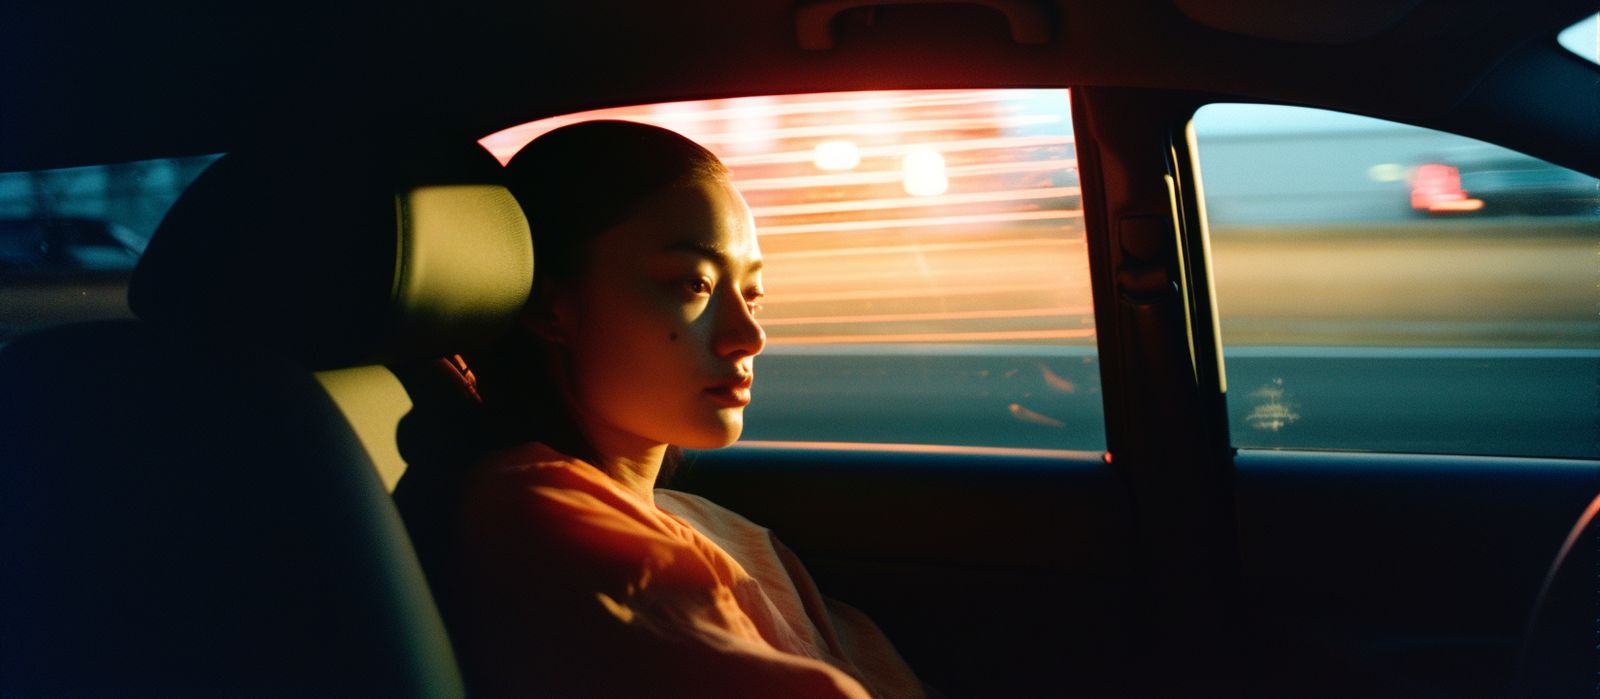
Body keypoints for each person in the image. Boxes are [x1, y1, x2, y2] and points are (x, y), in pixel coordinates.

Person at [447, 120, 926, 698]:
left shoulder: (719, 528)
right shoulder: (544, 518)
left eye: (751, 293)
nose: (749, 336)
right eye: (692, 284)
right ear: (554, 308)